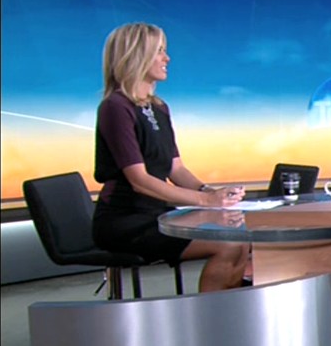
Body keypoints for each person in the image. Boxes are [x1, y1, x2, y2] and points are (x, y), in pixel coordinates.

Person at [92, 22, 248, 292]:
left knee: (242, 238)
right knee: (229, 244)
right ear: (136, 56)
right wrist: (206, 201)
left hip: (158, 214)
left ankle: (229, 312)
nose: (167, 58)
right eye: (159, 51)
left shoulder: (159, 108)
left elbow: (177, 169)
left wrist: (211, 193)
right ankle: (209, 315)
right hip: (126, 220)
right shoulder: (115, 107)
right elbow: (140, 180)